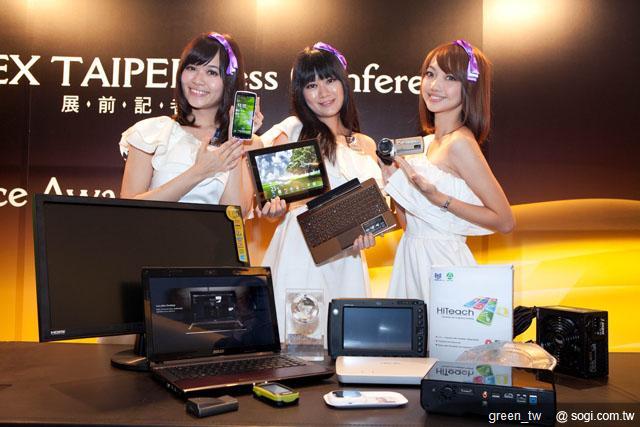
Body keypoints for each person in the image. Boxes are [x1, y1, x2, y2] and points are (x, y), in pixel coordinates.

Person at [258, 42, 381, 342]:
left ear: (343, 83)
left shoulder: (366, 144)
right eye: (311, 85)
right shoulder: (294, 130)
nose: (323, 92)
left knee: (345, 346)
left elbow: (373, 208)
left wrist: (367, 234)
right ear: (300, 93)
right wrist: (273, 210)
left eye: (329, 80)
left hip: (348, 257)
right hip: (301, 250)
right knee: (298, 344)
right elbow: (271, 203)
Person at [381, 39, 515, 301]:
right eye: (430, 74)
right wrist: (394, 184)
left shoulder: (460, 143)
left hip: (444, 266)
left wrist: (439, 198)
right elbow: (410, 227)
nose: (434, 85)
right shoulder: (427, 143)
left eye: (450, 78)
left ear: (469, 87)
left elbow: (505, 220)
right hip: (411, 258)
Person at [119, 32, 262, 214]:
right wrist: (199, 172)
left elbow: (235, 215)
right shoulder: (153, 132)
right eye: (192, 68)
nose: (197, 80)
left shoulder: (249, 144)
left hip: (211, 235)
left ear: (229, 81)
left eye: (211, 72)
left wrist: (234, 142)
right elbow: (128, 210)